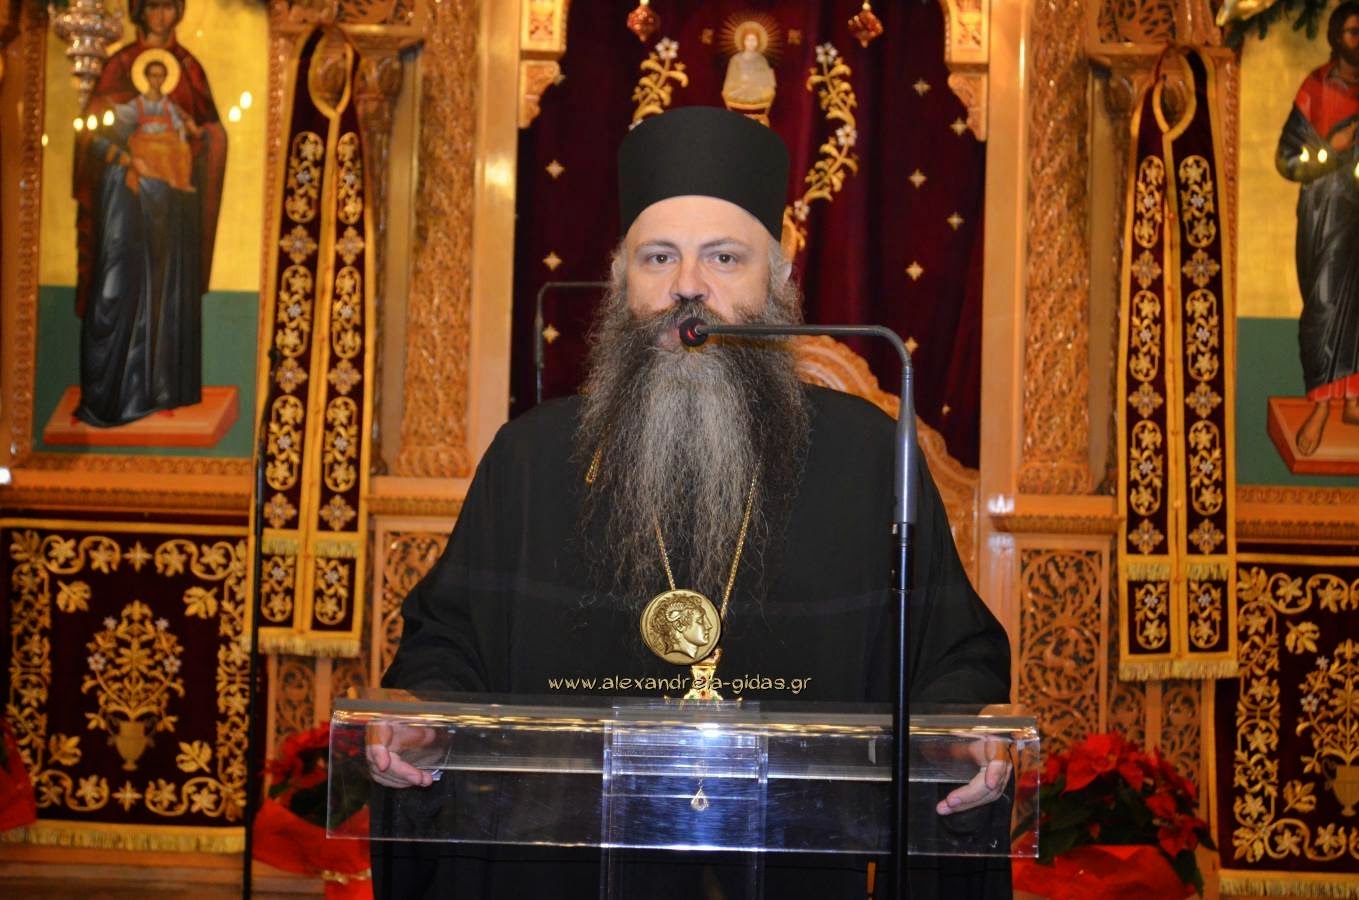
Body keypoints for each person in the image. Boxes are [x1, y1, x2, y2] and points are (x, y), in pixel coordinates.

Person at [371, 106, 1011, 898]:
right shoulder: (531, 457)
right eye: (658, 257)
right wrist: (424, 723)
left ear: (777, 282)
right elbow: (448, 649)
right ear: (621, 282)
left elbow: (950, 659)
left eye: (724, 257)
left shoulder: (868, 455)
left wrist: (958, 738)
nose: (686, 286)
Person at [72, 0, 226, 427]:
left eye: (169, 7)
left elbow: (211, 134)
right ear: (139, 10)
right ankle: (105, 396)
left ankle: (161, 390)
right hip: (124, 202)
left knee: (164, 289)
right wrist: (127, 158)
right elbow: (92, 134)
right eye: (153, 6)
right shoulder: (117, 66)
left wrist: (196, 140)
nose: (161, 16)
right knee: (116, 286)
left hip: (170, 208)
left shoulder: (190, 70)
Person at [1276, 1, 1359, 456]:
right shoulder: (1316, 88)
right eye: (1352, 32)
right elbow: (1287, 159)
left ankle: (1352, 400)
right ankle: (1322, 406)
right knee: (1324, 304)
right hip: (1325, 214)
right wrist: (1330, 149)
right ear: (1335, 37)